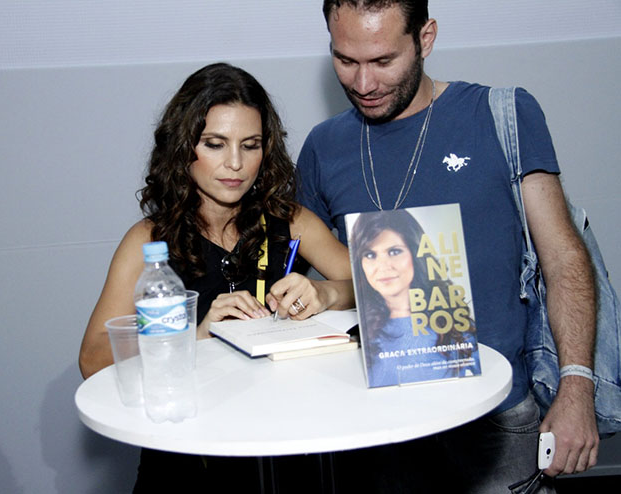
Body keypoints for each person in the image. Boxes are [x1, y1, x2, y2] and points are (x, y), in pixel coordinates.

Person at [296, 1, 598, 491]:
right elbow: (328, 288)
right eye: (345, 60)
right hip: (379, 421)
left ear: (426, 38)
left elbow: (563, 259)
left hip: (496, 416)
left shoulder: (502, 114)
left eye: (383, 61)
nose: (364, 84)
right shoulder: (323, 146)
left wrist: (577, 387)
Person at [79, 62, 354, 491]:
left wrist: (324, 293)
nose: (235, 164)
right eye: (214, 144)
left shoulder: (290, 222)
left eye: (250, 145)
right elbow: (93, 359)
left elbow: (374, 288)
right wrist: (196, 334)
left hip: (282, 456)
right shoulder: (149, 242)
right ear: (182, 146)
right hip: (185, 460)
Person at [349, 210, 479, 386]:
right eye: (370, 255)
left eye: (394, 252)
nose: (383, 267)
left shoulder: (453, 326)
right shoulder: (360, 331)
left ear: (416, 252)